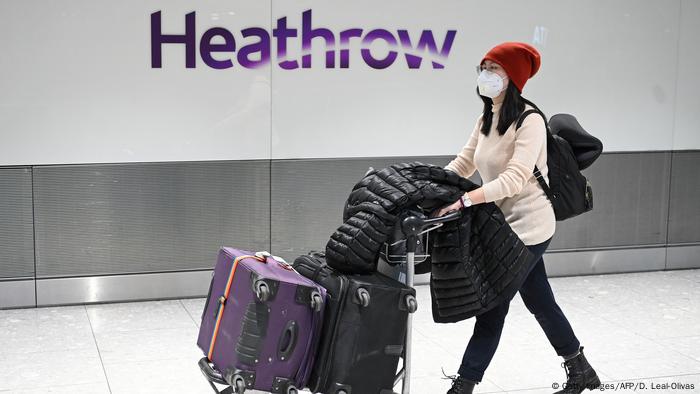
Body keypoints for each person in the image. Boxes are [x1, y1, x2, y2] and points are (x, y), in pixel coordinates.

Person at [435, 42, 601, 394]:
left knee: (492, 306)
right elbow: (464, 162)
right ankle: (580, 368)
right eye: (483, 67)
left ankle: (463, 385)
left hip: (530, 227)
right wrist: (433, 187)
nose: (486, 75)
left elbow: (513, 179)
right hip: (501, 226)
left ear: (513, 77)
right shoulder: (487, 117)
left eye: (494, 68)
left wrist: (466, 200)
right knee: (539, 299)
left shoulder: (530, 121)